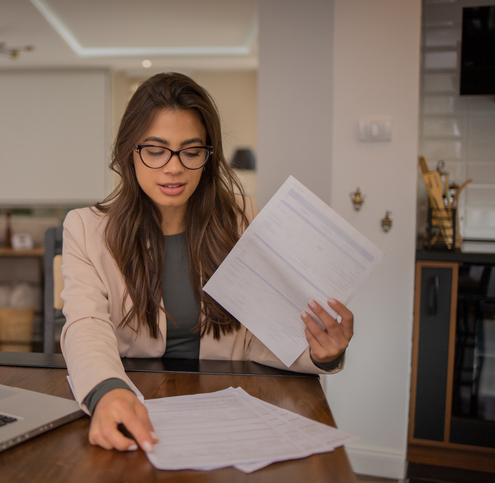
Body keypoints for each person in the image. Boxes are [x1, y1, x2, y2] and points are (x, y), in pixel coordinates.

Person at [60, 72, 353, 454]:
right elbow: (86, 325)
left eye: (191, 151)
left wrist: (322, 353)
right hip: (134, 400)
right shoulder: (86, 227)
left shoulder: (242, 217)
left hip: (228, 409)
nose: (174, 167)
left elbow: (261, 336)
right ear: (129, 151)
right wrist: (106, 391)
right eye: (155, 149)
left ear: (208, 156)